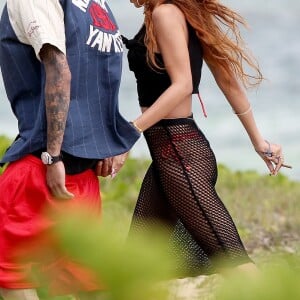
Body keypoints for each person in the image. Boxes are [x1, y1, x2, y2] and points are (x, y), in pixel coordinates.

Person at [123, 0, 291, 276]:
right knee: (137, 269)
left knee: (235, 264)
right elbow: (227, 79)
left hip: (181, 159)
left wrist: (132, 130)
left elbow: (183, 85)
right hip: (171, 159)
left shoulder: (166, 14)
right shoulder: (174, 15)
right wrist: (258, 142)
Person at [0, 0, 140, 299]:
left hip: (42, 170)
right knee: (89, 284)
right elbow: (104, 77)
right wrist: (107, 139)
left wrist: (54, 155)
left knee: (15, 278)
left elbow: (60, 70)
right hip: (83, 175)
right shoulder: (97, 6)